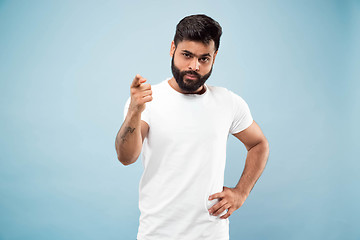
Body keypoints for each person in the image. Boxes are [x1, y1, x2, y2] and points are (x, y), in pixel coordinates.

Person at [115, 14, 269, 240]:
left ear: (214, 57)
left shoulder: (228, 102)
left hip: (211, 234)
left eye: (204, 59)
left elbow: (258, 144)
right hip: (158, 233)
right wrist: (134, 112)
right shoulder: (147, 100)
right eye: (186, 55)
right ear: (172, 49)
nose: (193, 66)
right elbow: (126, 157)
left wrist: (241, 192)